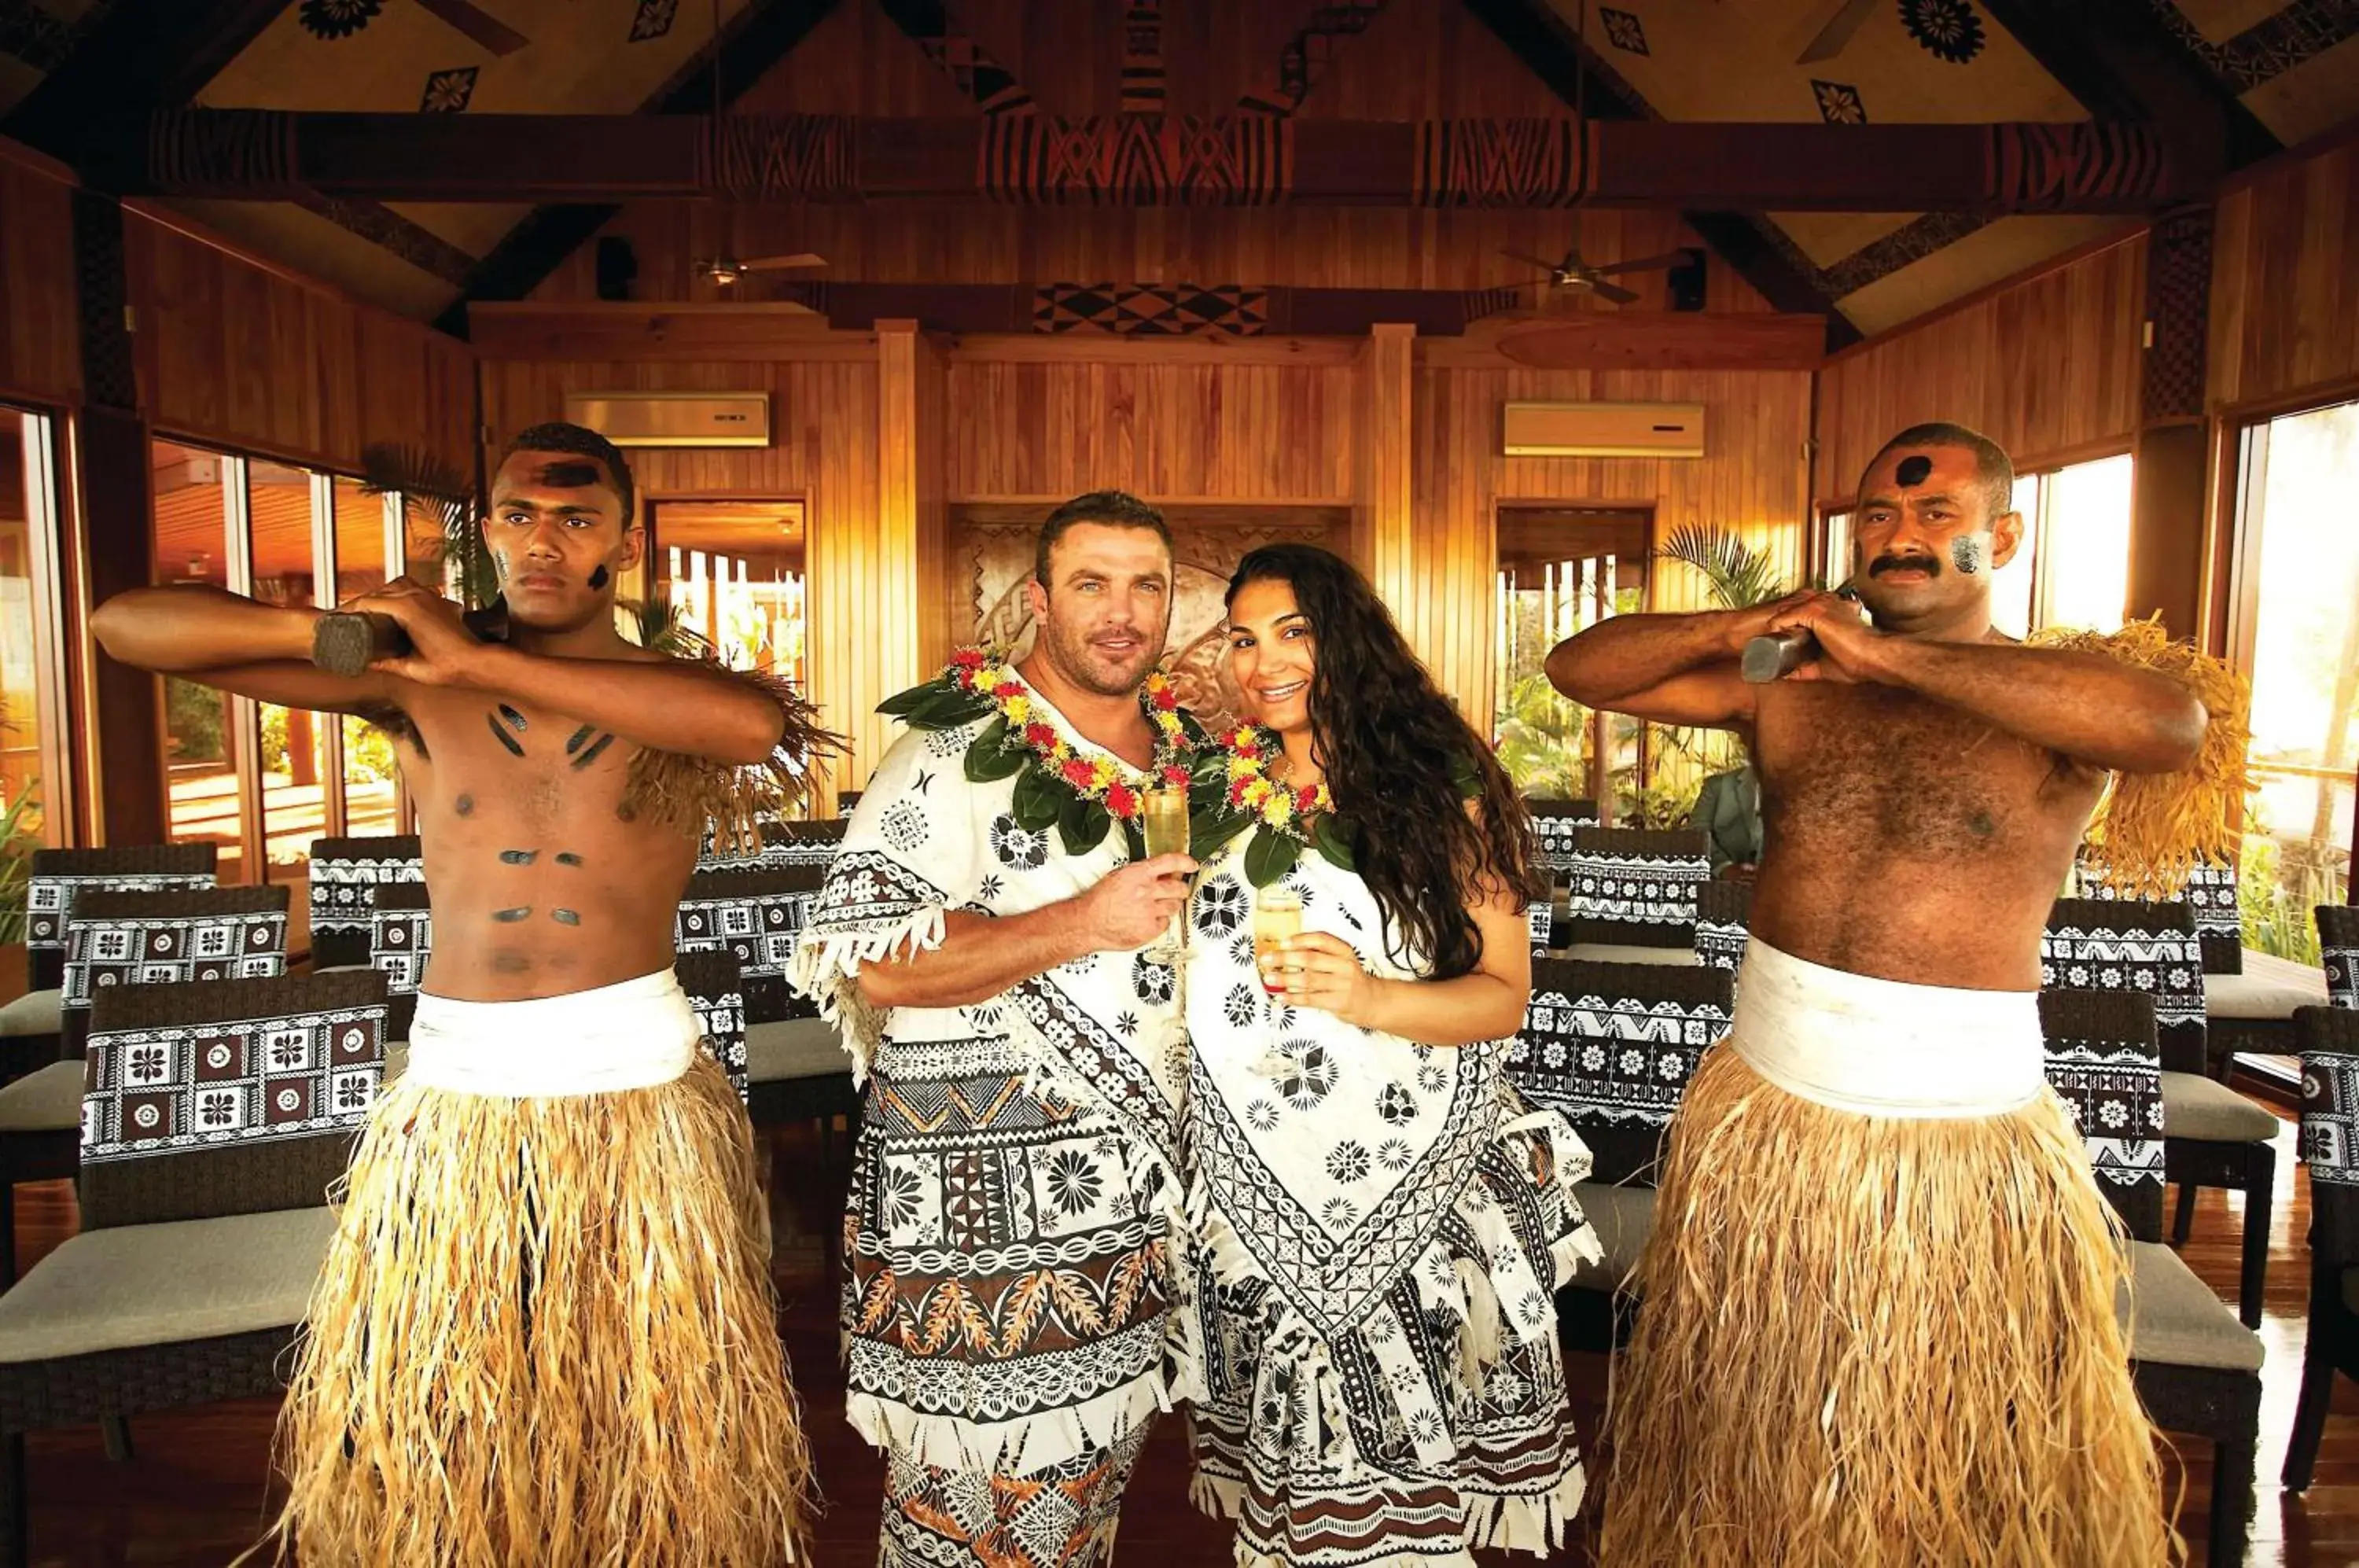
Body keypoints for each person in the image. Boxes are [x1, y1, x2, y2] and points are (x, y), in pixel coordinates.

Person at [93, 421, 828, 1566]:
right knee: (463, 1402)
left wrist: (472, 660)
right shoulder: (398, 675)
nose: (544, 542)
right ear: (486, 532)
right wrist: (351, 631)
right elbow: (124, 627)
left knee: (633, 1398)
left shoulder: (676, 690)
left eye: (577, 520)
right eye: (521, 517)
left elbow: (752, 728)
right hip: (460, 1092)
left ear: (622, 545)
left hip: (633, 1082)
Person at [1547, 421, 2205, 1566]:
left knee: (1950, 1459)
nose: (1900, 537)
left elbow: (2169, 725)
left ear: (2002, 535)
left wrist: (1886, 658)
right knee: (1762, 1415)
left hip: (1958, 1145)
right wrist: (1751, 624)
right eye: (1880, 516)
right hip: (1771, 1117)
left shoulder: (2049, 700)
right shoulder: (1786, 690)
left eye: (1935, 515)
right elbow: (1577, 668)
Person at [789, 490, 1200, 1568]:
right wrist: (1081, 918)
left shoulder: (1193, 757)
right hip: (978, 1235)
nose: (1122, 612)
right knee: (966, 1520)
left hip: (1132, 1224)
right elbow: (868, 955)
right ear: (1039, 599)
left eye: (1145, 585)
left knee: (1078, 1513)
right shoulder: (951, 749)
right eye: (1091, 583)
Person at [1181, 543, 1599, 1566]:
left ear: (1347, 640)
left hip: (1403, 1185)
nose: (1264, 659)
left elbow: (1503, 997)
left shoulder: (1441, 787)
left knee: (1385, 1497)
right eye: (1244, 637)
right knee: (1289, 1483)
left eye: (1294, 631)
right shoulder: (1220, 787)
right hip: (1257, 1188)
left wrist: (1367, 994)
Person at [1687, 760, 1764, 877]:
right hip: (1722, 885)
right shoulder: (1717, 786)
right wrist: (1724, 867)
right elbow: (1696, 833)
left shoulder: (1799, 792)